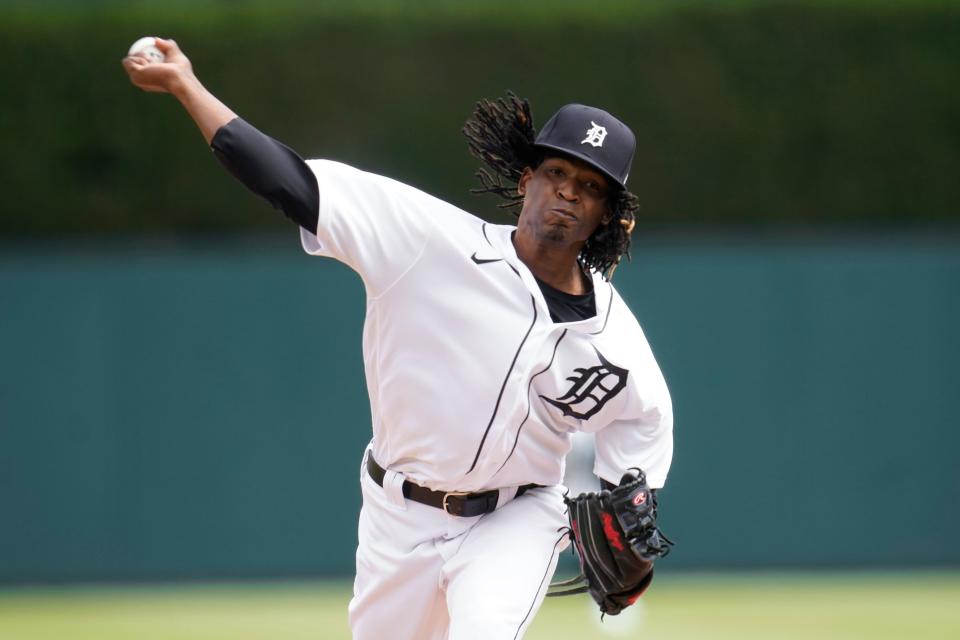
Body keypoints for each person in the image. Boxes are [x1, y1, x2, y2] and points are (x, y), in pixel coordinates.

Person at [123, 37, 673, 640]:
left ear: (606, 215)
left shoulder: (611, 335)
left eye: (590, 187)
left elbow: (644, 417)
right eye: (557, 172)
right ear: (526, 180)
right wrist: (186, 87)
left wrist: (632, 493)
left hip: (516, 516)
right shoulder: (426, 242)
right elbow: (291, 183)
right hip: (397, 514)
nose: (568, 191)